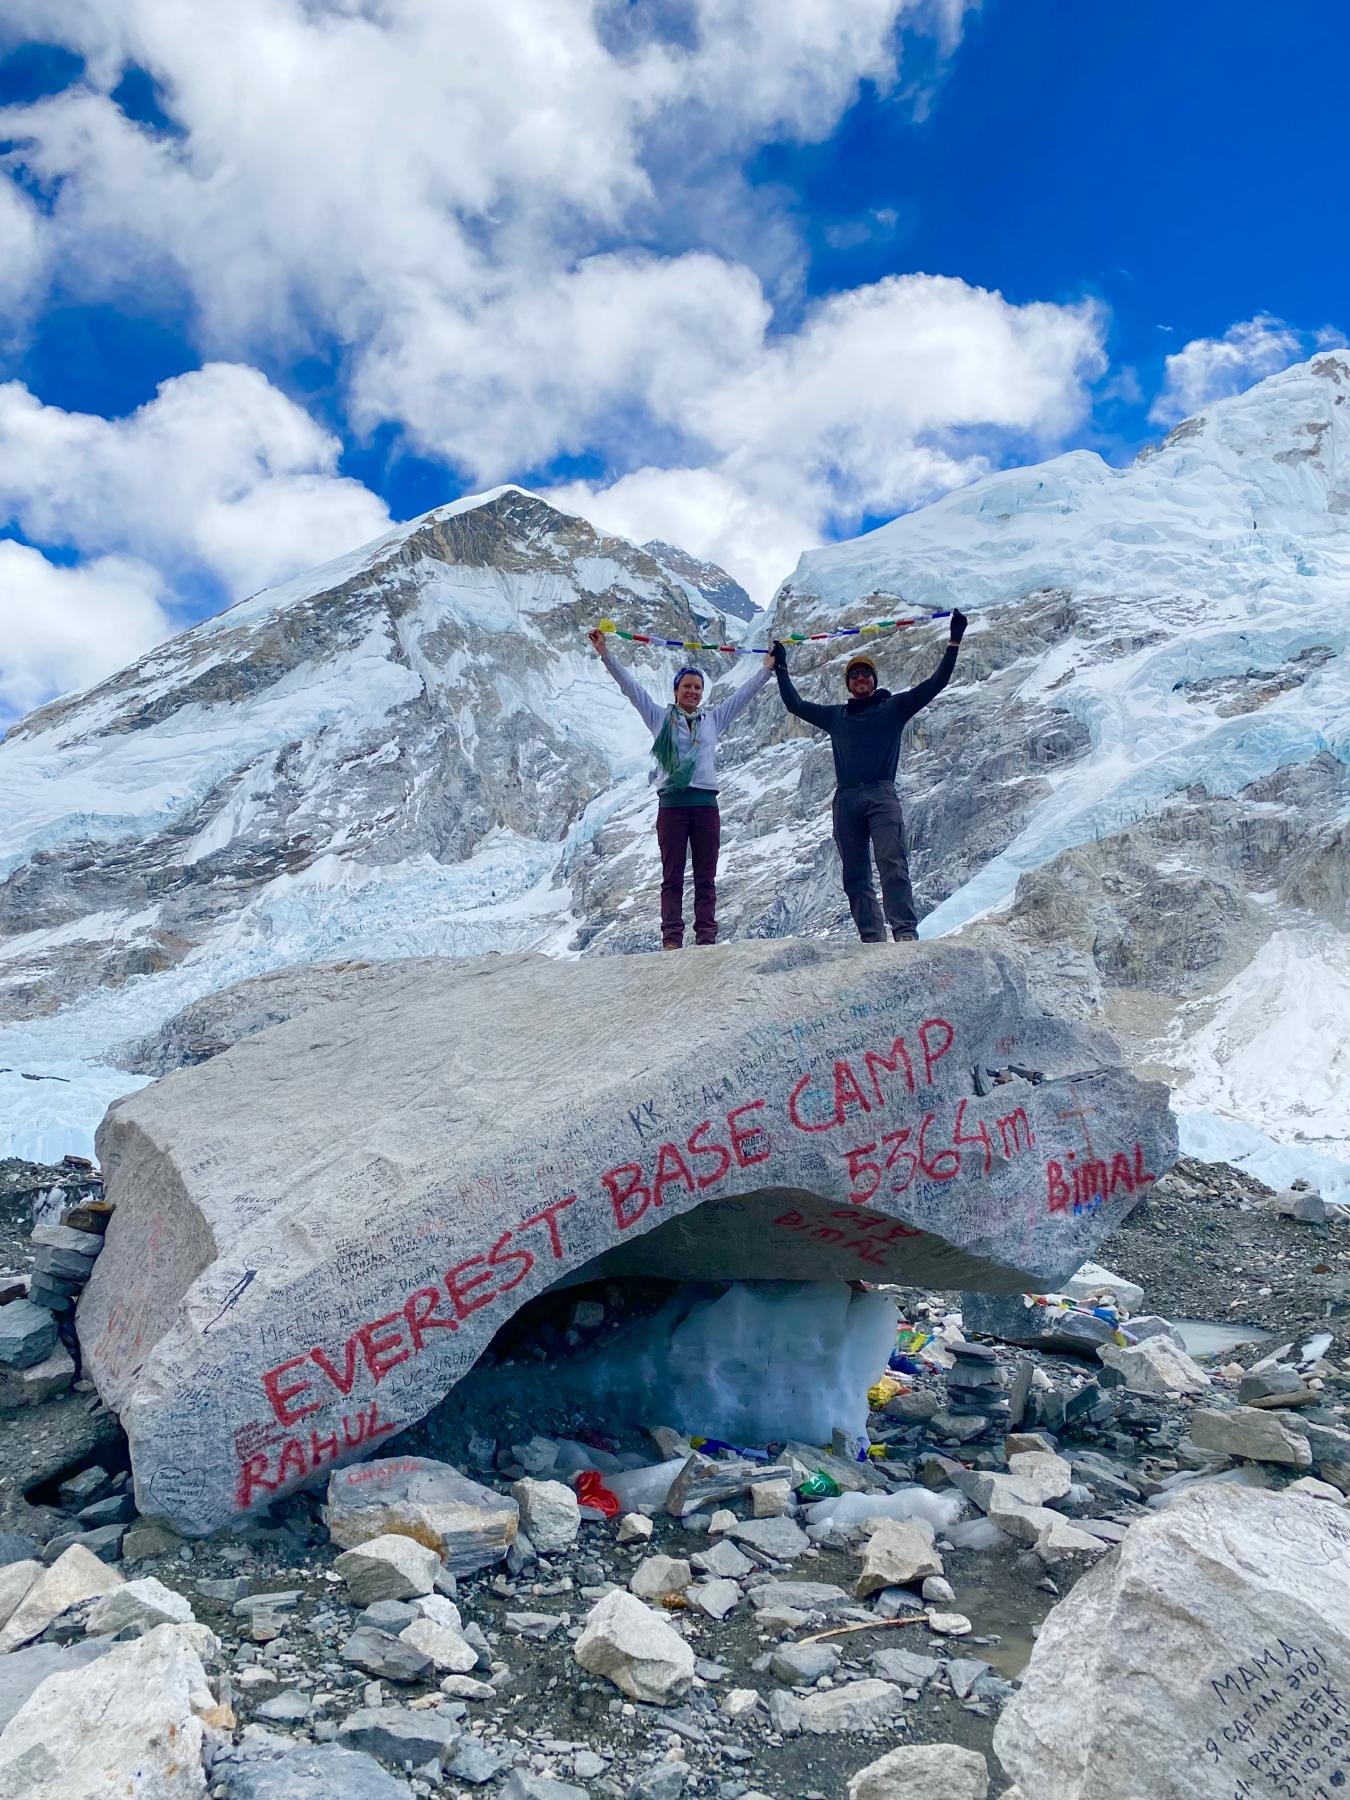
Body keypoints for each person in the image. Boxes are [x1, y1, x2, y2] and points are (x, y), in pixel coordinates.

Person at [770, 610, 969, 942]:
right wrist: (781, 667)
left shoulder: (895, 707)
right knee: (855, 874)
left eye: (865, 674)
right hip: (846, 798)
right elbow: (795, 704)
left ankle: (904, 932)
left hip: (880, 794)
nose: (860, 679)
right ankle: (871, 938)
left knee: (892, 862)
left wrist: (954, 640)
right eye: (854, 675)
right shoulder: (837, 716)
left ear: (874, 679)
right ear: (848, 683)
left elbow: (937, 682)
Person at [589, 628, 774, 948]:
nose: (693, 692)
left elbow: (742, 697)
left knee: (706, 877)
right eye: (687, 686)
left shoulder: (713, 720)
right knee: (671, 877)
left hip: (705, 805)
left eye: (698, 687)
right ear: (676, 691)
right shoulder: (658, 718)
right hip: (672, 805)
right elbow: (630, 688)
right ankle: (672, 938)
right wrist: (606, 655)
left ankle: (706, 936)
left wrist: (767, 669)